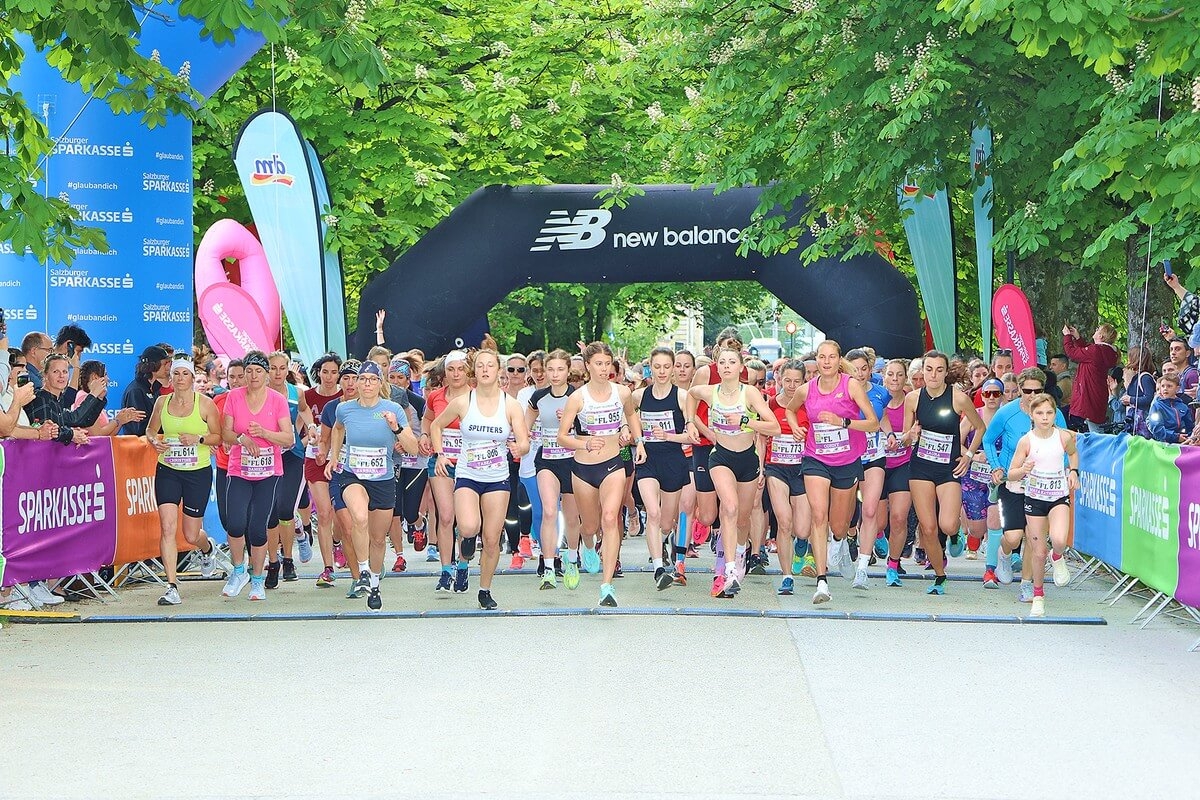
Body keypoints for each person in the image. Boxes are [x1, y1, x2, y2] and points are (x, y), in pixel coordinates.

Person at [430, 349, 530, 610]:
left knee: (492, 539)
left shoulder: (510, 405)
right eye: (481, 366)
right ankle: (466, 542)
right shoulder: (464, 401)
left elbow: (524, 440)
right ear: (476, 371)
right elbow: (435, 425)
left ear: (499, 371)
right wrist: (440, 454)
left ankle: (484, 589)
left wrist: (521, 448)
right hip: (468, 475)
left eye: (490, 365)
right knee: (468, 527)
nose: (486, 370)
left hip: (497, 477)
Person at [784, 340, 879, 605]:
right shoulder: (807, 389)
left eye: (831, 357)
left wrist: (843, 422)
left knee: (838, 524)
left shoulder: (850, 385)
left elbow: (872, 423)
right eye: (822, 357)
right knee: (818, 514)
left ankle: (840, 542)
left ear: (839, 360)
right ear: (817, 360)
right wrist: (794, 427)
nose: (826, 362)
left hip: (847, 460)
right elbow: (790, 409)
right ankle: (822, 582)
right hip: (816, 457)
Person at [557, 342, 644, 607]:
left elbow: (631, 416)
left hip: (613, 463)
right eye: (598, 364)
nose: (604, 369)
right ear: (587, 367)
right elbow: (562, 437)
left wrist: (637, 440)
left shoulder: (622, 392)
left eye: (607, 364)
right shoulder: (578, 397)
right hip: (583, 468)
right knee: (591, 526)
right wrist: (584, 443)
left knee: (610, 517)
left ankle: (607, 586)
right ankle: (586, 543)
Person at [327, 361, 418, 610]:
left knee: (378, 538)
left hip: (383, 479)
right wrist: (334, 456)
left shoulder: (393, 409)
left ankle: (375, 583)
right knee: (358, 517)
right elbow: (337, 429)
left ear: (380, 384)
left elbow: (413, 447)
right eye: (362, 379)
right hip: (353, 475)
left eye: (372, 379)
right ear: (355, 383)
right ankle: (363, 570)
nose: (367, 383)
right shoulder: (344, 409)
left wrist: (397, 428)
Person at [900, 350, 986, 596]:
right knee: (927, 528)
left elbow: (979, 427)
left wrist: (968, 456)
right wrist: (909, 436)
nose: (933, 375)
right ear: (922, 371)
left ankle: (955, 533)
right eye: (929, 369)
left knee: (946, 525)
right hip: (921, 467)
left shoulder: (958, 398)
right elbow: (906, 437)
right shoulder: (913, 399)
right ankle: (939, 575)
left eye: (939, 370)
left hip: (948, 468)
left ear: (945, 372)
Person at [144, 354, 222, 606]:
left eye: (185, 374)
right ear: (171, 376)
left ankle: (206, 547)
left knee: (190, 535)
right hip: (168, 469)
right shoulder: (161, 402)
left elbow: (217, 437)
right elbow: (150, 430)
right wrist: (154, 441)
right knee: (167, 526)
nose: (179, 379)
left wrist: (198, 439)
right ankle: (171, 585)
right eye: (176, 373)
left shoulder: (205, 404)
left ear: (191, 377)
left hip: (197, 472)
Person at [982, 367, 1066, 599]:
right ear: (1019, 390)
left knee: (1033, 535)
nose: (1031, 395)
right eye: (1026, 391)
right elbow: (988, 440)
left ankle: (1027, 583)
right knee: (1014, 536)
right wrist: (996, 466)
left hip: (1041, 484)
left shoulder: (1054, 414)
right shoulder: (1007, 413)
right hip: (1013, 481)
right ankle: (1005, 554)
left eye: (1036, 390)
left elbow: (1066, 446)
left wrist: (1067, 471)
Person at [220, 351, 294, 601]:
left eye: (258, 371)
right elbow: (225, 433)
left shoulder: (277, 400)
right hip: (240, 469)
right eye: (249, 370)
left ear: (266, 374)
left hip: (268, 471)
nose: (253, 376)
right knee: (235, 523)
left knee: (258, 528)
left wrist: (264, 433)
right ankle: (239, 570)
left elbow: (289, 438)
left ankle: (258, 580)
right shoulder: (233, 396)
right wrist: (242, 438)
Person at [1006, 393, 1079, 617]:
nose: (1045, 418)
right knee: (1038, 552)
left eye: (1049, 413)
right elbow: (1011, 474)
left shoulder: (1063, 437)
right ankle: (1038, 596)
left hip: (1058, 497)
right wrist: (1023, 470)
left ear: (1055, 414)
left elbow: (1073, 453)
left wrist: (1073, 471)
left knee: (1058, 539)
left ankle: (1057, 556)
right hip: (1034, 499)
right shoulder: (1026, 441)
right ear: (1032, 415)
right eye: (1040, 413)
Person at [634, 347, 692, 591]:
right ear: (650, 367)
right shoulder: (638, 396)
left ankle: (666, 540)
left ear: (672, 369)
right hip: (648, 459)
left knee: (666, 523)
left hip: (673, 460)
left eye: (666, 367)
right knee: (653, 513)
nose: (661, 371)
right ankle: (659, 568)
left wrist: (668, 435)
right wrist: (636, 438)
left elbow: (690, 436)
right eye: (656, 366)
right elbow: (628, 418)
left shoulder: (682, 396)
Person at [527, 349, 580, 589]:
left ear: (568, 371)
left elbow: (589, 432)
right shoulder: (538, 397)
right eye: (550, 369)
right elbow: (524, 428)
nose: (555, 374)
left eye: (560, 369)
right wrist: (519, 440)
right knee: (549, 511)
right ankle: (548, 567)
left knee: (571, 516)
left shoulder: (578, 396)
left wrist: (574, 418)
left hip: (573, 460)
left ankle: (572, 559)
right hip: (547, 459)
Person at [419, 351, 471, 591]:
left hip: (471, 462)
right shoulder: (436, 396)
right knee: (446, 515)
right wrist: (425, 435)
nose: (456, 374)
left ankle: (463, 565)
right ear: (445, 373)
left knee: (464, 519)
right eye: (451, 370)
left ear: (467, 371)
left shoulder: (477, 397)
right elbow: (428, 419)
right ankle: (445, 569)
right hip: (440, 460)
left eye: (461, 369)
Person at [261, 351, 312, 588]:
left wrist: (311, 428)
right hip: (267, 455)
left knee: (284, 509)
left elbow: (304, 410)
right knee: (269, 511)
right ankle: (273, 562)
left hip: (292, 455)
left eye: (282, 368)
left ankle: (288, 559)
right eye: (273, 368)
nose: (278, 373)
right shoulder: (259, 393)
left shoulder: (296, 392)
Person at [761, 359, 811, 595]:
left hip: (801, 469)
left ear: (804, 382)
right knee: (784, 521)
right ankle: (787, 576)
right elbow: (761, 436)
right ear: (779, 379)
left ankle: (802, 545)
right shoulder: (770, 404)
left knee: (802, 530)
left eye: (796, 381)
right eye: (787, 380)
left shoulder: (808, 405)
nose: (791, 386)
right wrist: (761, 468)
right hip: (776, 468)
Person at [847, 347, 892, 589]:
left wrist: (890, 433)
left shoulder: (881, 392)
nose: (861, 374)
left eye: (865, 369)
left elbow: (880, 416)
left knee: (871, 510)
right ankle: (842, 540)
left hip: (874, 455)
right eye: (855, 370)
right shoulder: (841, 392)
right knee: (843, 516)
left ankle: (862, 568)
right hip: (847, 457)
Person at [303, 354, 344, 587]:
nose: (329, 377)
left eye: (333, 372)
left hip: (340, 459)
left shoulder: (345, 397)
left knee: (340, 514)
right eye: (325, 371)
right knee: (325, 513)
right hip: (315, 459)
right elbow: (300, 427)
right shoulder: (308, 396)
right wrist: (309, 435)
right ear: (318, 372)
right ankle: (327, 567)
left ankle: (337, 543)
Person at [388, 356, 429, 573]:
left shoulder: (418, 402)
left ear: (407, 380)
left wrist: (414, 442)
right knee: (395, 511)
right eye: (391, 377)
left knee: (410, 512)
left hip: (416, 462)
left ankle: (420, 525)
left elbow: (427, 429)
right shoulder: (382, 401)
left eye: (400, 377)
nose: (395, 381)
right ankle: (399, 555)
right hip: (392, 463)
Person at [961, 378, 1004, 561]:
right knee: (977, 528)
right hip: (973, 477)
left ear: (1002, 396)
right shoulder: (973, 416)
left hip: (998, 476)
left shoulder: (1006, 418)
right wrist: (973, 455)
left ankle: (992, 564)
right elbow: (956, 443)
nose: (992, 397)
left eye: (996, 393)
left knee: (995, 519)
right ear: (982, 396)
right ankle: (973, 536)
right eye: (987, 393)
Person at [24, 353, 108, 446]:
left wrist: (99, 398)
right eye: (56, 371)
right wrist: (72, 434)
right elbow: (49, 431)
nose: (61, 376)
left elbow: (80, 420)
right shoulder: (40, 398)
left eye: (65, 371)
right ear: (45, 375)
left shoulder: (57, 400)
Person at [880, 358, 914, 587]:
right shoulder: (874, 399)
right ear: (883, 376)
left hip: (904, 464)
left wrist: (906, 437)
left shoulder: (913, 401)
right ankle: (878, 536)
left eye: (899, 375)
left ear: (905, 378)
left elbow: (918, 429)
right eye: (890, 374)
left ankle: (893, 564)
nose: (894, 379)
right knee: (880, 520)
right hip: (877, 464)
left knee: (899, 517)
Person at [1061, 323, 1121, 432]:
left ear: (1101, 336)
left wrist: (1067, 336)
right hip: (1097, 394)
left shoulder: (1095, 351)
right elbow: (1087, 351)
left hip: (1088, 396)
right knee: (1095, 428)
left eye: (1098, 329)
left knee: (1094, 432)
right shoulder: (1106, 352)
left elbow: (1072, 353)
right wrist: (1078, 338)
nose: (1096, 330)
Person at [120, 345, 171, 436]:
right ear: (153, 366)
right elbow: (140, 428)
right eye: (165, 363)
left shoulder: (155, 388)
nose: (168, 368)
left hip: (153, 445)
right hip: (138, 447)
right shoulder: (136, 391)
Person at [1121, 346, 1158, 437]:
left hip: (1143, 420)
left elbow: (1149, 398)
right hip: (1134, 419)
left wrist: (1131, 399)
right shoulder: (1136, 377)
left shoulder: (1145, 377)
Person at [1147, 374, 1194, 443]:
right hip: (1162, 443)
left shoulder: (1183, 407)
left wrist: (1189, 437)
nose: (1165, 388)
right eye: (1162, 386)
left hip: (1183, 441)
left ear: (1177, 389)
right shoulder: (1156, 405)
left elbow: (1189, 426)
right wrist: (1175, 437)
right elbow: (1155, 428)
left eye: (1169, 386)